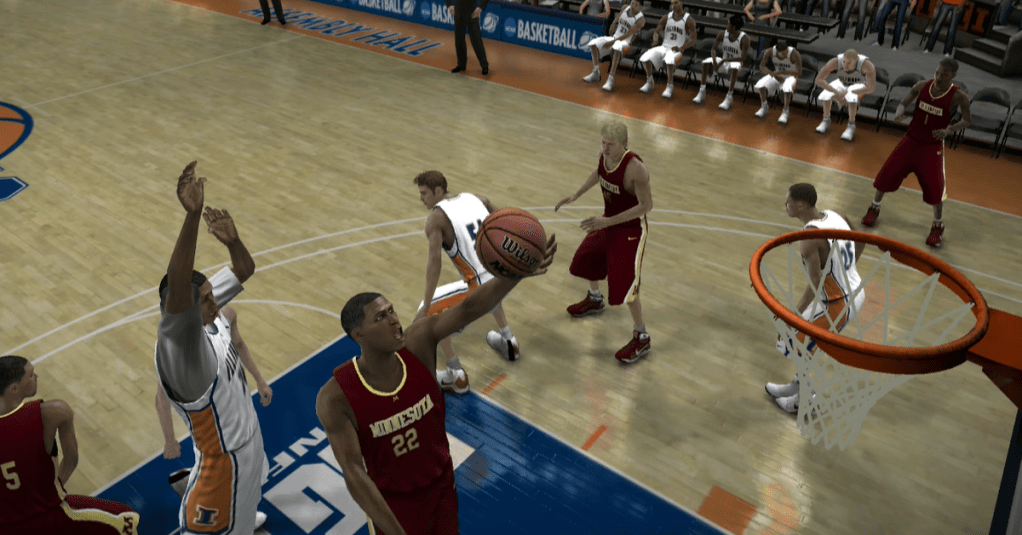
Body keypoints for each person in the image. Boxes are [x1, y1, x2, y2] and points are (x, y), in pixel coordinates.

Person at [315, 240, 556, 535]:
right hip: (394, 509)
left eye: (391, 311)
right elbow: (354, 475)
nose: (394, 320)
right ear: (358, 335)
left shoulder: (419, 342)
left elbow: (469, 308)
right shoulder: (336, 396)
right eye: (381, 317)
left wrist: (516, 272)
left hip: (442, 488)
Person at [154, 160, 269, 534]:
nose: (215, 301)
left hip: (248, 442)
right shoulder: (180, 348)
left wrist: (233, 242)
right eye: (205, 298)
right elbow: (179, 289)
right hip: (222, 466)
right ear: (180, 309)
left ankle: (243, 514)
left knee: (247, 515)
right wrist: (192, 217)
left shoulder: (207, 309)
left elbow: (244, 269)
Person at [0, 356, 141, 534]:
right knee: (126, 519)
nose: (36, 377)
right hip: (49, 516)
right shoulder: (53, 412)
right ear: (14, 388)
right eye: (30, 375)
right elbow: (71, 460)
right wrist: (52, 492)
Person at [410, 171, 522, 396]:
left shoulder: (436, 220)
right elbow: (505, 220)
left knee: (429, 312)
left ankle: (456, 375)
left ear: (438, 191)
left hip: (481, 289)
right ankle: (509, 341)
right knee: (486, 279)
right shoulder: (475, 199)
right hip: (505, 278)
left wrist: (427, 305)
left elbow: (434, 264)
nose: (421, 199)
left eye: (424, 193)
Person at [555, 121, 653, 364]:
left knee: (625, 286)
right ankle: (595, 299)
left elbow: (646, 206)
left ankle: (641, 336)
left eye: (611, 144)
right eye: (603, 143)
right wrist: (576, 194)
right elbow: (599, 172)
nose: (605, 148)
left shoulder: (636, 169)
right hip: (609, 221)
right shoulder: (604, 155)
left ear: (624, 144)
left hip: (631, 229)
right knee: (585, 259)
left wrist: (607, 222)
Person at [765, 184, 866, 414]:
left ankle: (806, 400)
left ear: (800, 205)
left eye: (788, 202)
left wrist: (792, 316)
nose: (785, 205)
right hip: (852, 291)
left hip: (839, 302)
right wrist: (846, 272)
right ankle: (799, 385)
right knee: (802, 343)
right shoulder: (837, 215)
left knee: (793, 340)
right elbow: (861, 242)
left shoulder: (809, 238)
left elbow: (815, 284)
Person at [861, 58, 972, 248]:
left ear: (953, 76)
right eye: (937, 73)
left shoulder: (959, 97)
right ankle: (874, 208)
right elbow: (904, 103)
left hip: (932, 147)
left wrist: (949, 130)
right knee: (887, 174)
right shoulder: (922, 86)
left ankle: (938, 225)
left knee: (936, 189)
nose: (939, 77)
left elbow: (967, 121)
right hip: (911, 140)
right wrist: (899, 111)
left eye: (944, 75)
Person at [156, 303, 274, 460]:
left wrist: (260, 381)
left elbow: (239, 344)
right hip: (216, 435)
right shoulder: (180, 347)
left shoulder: (228, 315)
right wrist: (170, 440)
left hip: (243, 417)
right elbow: (162, 398)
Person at [581, 0, 647, 92]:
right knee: (593, 43)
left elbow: (628, 34)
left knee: (617, 47)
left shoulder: (641, 20)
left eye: (636, 5)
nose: (633, 6)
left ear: (640, 7)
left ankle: (610, 79)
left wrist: (613, 42)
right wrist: (613, 24)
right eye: (632, 3)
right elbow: (618, 16)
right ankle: (595, 72)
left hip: (625, 43)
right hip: (615, 38)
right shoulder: (625, 8)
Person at [813, 49, 876, 141]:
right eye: (844, 62)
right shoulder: (835, 61)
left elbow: (871, 88)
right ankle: (826, 120)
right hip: (841, 82)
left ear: (856, 61)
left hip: (857, 85)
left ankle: (851, 125)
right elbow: (818, 80)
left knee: (851, 96)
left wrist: (848, 94)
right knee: (826, 93)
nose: (845, 66)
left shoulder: (866, 65)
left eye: (849, 63)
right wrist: (836, 93)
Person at [638, 0, 697, 98]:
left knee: (669, 60)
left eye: (676, 3)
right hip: (664, 47)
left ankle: (669, 86)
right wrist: (656, 39)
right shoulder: (667, 17)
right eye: (672, 3)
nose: (673, 5)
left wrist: (681, 48)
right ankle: (649, 81)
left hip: (677, 49)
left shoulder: (688, 20)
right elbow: (657, 31)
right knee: (646, 57)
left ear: (682, 3)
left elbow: (693, 40)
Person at [693, 15, 751, 111]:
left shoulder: (745, 39)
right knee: (706, 62)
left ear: (733, 27)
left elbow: (743, 58)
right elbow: (713, 49)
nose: (726, 25)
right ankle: (702, 91)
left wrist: (724, 61)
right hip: (724, 62)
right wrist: (715, 61)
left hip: (736, 63)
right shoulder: (722, 34)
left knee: (734, 67)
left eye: (728, 24)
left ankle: (729, 97)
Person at [753, 41, 803, 124]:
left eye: (786, 52)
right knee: (761, 84)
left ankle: (785, 111)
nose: (785, 54)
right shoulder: (770, 51)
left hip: (791, 76)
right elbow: (761, 66)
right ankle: (764, 106)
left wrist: (782, 73)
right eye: (783, 53)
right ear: (777, 52)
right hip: (777, 75)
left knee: (786, 88)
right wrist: (774, 75)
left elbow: (799, 72)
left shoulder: (794, 53)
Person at [447, 0, 490, 75]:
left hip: (472, 13)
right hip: (458, 12)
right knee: (459, 40)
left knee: (476, 41)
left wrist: (480, 8)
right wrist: (449, 5)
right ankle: (461, 65)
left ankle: (484, 66)